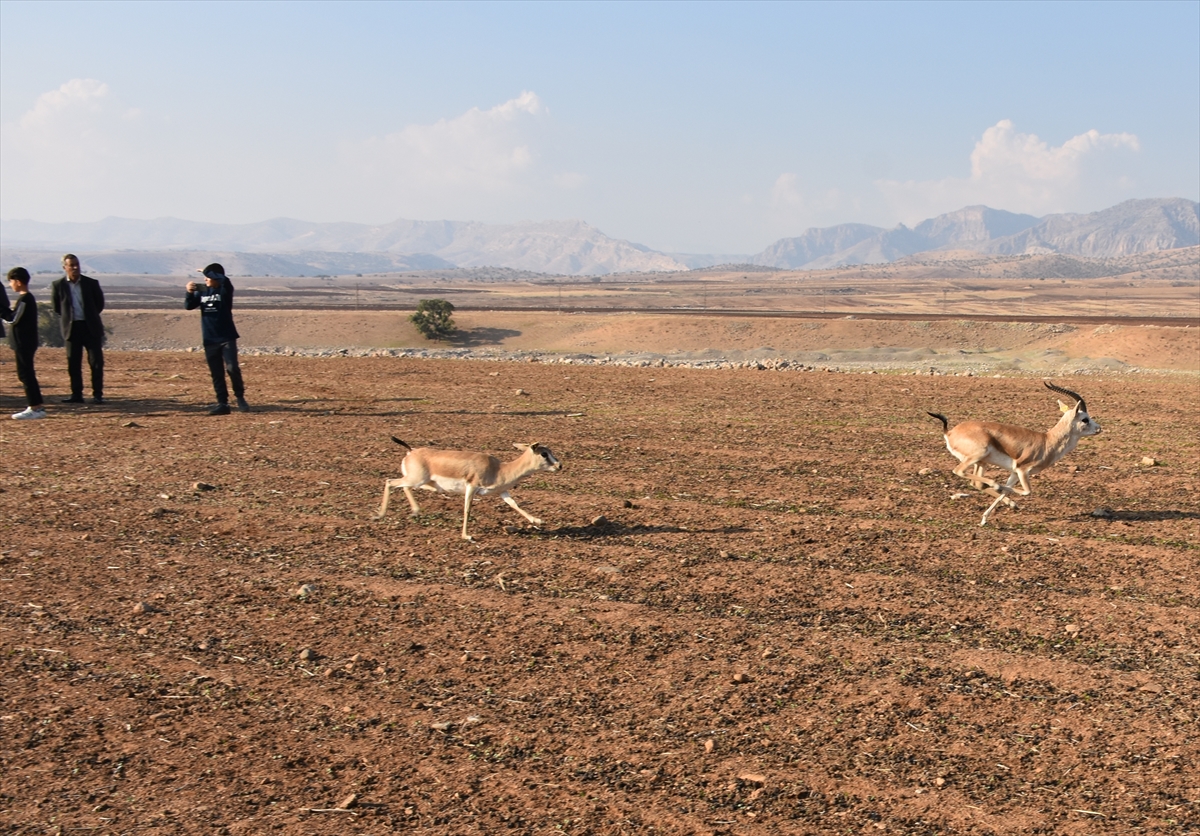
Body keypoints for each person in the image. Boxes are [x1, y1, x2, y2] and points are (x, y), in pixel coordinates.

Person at [186, 263, 250, 415]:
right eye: (205, 277)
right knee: (216, 373)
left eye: (208, 277)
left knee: (232, 367)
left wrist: (207, 270)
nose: (206, 279)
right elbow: (188, 306)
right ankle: (223, 403)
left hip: (227, 336)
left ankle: (240, 397)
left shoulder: (225, 289)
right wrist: (189, 292)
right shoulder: (203, 291)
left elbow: (222, 278)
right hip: (210, 339)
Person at [51, 253, 105, 404]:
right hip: (72, 328)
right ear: (65, 267)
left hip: (90, 328)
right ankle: (76, 394)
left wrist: (90, 317)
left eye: (77, 264)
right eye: (71, 265)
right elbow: (57, 307)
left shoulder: (91, 283)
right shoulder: (58, 285)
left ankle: (97, 395)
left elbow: (99, 304)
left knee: (96, 362)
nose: (75, 268)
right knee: (73, 363)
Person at [3, 267, 46, 420]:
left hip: (24, 343)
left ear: (18, 282)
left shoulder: (25, 299)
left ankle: (35, 407)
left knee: (26, 374)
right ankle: (36, 406)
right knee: (26, 374)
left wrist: (2, 310)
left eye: (11, 281)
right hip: (23, 342)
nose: (10, 285)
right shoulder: (25, 299)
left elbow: (13, 319)